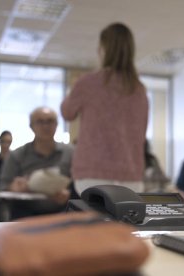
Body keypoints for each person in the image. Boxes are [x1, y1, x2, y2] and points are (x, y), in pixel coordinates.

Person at [61, 22, 148, 195]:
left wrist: (74, 88)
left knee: (95, 222)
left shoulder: (88, 83)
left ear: (103, 49)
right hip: (131, 175)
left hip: (92, 173)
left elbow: (67, 112)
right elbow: (142, 132)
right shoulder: (139, 89)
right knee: (120, 222)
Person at [0, 107, 73, 219]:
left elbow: (81, 185)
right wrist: (13, 188)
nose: (45, 126)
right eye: (40, 121)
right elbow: (3, 186)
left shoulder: (71, 153)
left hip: (62, 214)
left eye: (50, 121)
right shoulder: (16, 155)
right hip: (25, 215)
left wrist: (69, 194)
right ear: (31, 126)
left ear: (57, 124)